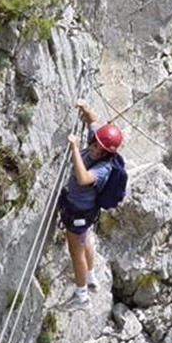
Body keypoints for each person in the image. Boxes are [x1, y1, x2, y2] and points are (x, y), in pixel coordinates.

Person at [61, 99, 123, 309]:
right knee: (85, 239)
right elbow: (93, 121)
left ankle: (82, 298)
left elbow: (83, 178)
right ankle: (90, 277)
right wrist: (85, 108)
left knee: (76, 253)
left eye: (101, 149)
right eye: (95, 143)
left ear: (108, 153)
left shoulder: (104, 167)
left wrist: (75, 149)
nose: (96, 149)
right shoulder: (97, 141)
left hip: (79, 211)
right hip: (83, 212)